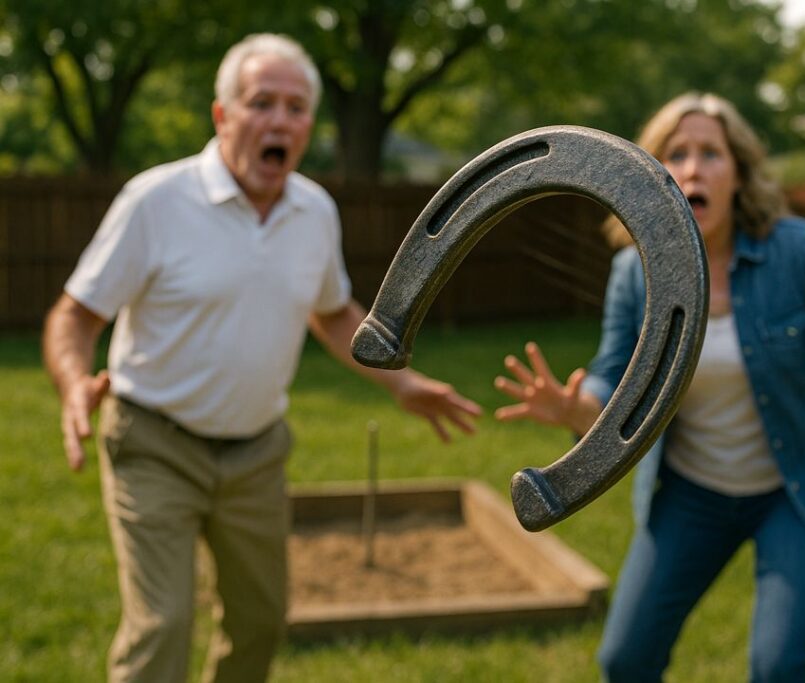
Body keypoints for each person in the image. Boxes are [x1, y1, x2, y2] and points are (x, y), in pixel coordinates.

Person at [42, 33, 481, 683]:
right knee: (162, 626)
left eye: (296, 107)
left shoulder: (314, 210)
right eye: (261, 103)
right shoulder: (154, 201)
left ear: (309, 125)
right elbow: (74, 315)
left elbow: (331, 312)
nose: (280, 120)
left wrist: (402, 383)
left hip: (255, 453)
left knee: (259, 621)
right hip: (154, 442)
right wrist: (75, 380)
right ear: (223, 115)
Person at [493, 92, 805, 682]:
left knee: (779, 668)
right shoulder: (633, 272)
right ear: (652, 176)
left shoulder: (796, 250)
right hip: (692, 494)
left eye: (711, 153)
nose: (693, 168)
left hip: (796, 495)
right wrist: (575, 408)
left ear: (739, 173)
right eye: (677, 153)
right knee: (626, 659)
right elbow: (610, 380)